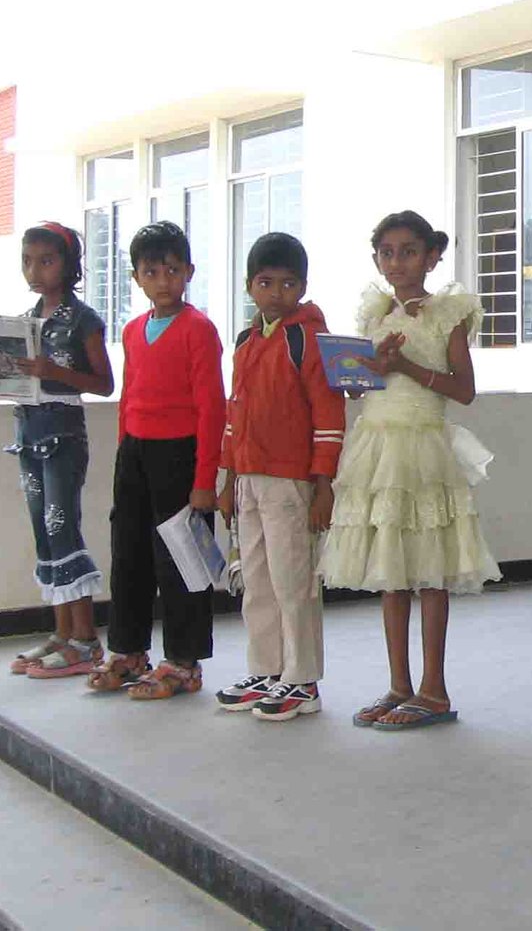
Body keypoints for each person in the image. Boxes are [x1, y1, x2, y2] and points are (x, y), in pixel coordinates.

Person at [318, 210, 500, 730]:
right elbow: (364, 389)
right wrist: (361, 374)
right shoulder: (375, 313)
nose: (397, 262)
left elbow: (464, 390)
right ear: (376, 259)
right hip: (377, 448)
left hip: (421, 447)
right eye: (387, 253)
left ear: (432, 257)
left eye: (409, 252)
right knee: (391, 571)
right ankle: (400, 684)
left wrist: (404, 367)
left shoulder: (448, 314)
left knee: (430, 571)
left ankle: (433, 690)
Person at [88, 221, 225, 700]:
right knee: (129, 554)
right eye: (151, 272)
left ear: (189, 272)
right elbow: (128, 396)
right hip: (135, 455)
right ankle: (128, 651)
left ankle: (184, 662)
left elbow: (212, 408)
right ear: (136, 278)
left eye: (172, 270)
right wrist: (125, 451)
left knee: (184, 562)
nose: (163, 281)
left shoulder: (199, 329)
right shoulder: (132, 330)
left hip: (181, 455)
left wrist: (204, 479)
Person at [215, 233, 346, 721]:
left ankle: (303, 680)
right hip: (249, 479)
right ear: (249, 286)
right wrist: (228, 478)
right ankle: (267, 669)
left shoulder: (307, 338)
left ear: (303, 287)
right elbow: (234, 413)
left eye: (288, 284)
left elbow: (329, 414)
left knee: (294, 581)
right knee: (256, 579)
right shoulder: (246, 341)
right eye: (265, 283)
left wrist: (323, 483)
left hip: (291, 481)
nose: (276, 293)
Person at [6, 222, 115, 678]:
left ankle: (86, 639)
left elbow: (105, 384)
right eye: (27, 261)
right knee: (44, 532)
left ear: (69, 266)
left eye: (46, 261)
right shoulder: (27, 320)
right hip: (28, 432)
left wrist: (54, 372)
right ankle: (62, 631)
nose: (35, 270)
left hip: (63, 437)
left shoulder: (83, 320)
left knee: (62, 527)